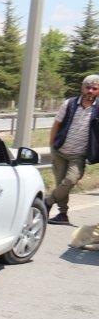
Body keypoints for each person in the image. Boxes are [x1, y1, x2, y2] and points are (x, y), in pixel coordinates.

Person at [46, 74, 99, 226]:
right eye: (87, 87)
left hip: (79, 155)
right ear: (82, 88)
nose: (90, 91)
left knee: (69, 180)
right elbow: (56, 124)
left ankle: (46, 202)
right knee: (61, 184)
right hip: (60, 151)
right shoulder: (69, 104)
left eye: (94, 88)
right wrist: (52, 146)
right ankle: (63, 215)